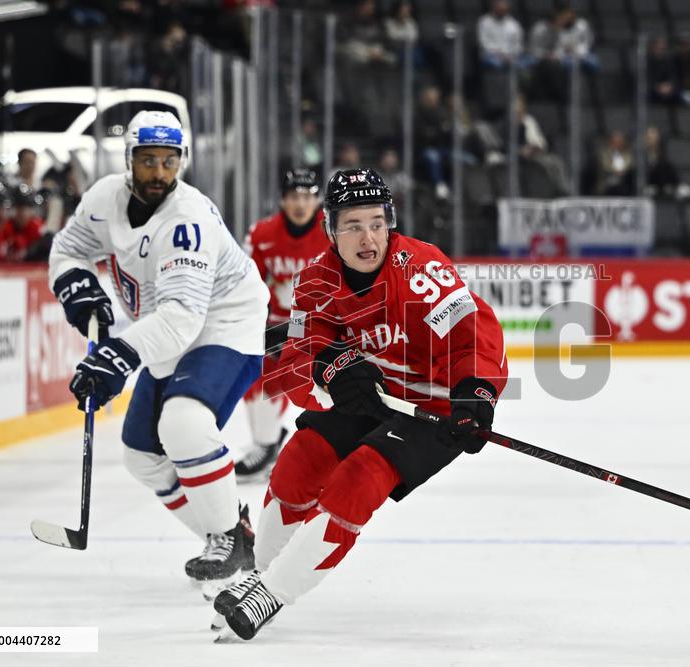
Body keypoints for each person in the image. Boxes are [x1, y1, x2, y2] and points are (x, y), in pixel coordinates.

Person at [211, 168, 508, 640]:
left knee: (358, 478)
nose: (368, 237)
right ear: (331, 230)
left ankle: (272, 592)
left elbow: (473, 339)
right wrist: (332, 367)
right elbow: (302, 352)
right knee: (298, 461)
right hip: (377, 396)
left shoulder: (422, 269)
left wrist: (476, 394)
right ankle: (261, 572)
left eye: (376, 222)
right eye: (352, 225)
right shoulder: (316, 279)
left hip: (434, 408)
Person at [48, 110, 270, 585]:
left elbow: (183, 319)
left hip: (224, 322)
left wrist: (117, 355)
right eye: (148, 161)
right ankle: (233, 538)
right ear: (129, 159)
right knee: (142, 455)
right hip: (169, 325)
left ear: (182, 162)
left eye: (169, 162)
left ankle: (226, 536)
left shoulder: (187, 219)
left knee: (184, 422)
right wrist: (75, 284)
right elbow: (67, 249)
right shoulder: (104, 198)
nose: (159, 173)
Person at [236, 168, 330, 482]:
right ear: (282, 200)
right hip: (276, 324)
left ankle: (330, 450)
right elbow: (246, 285)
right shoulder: (262, 235)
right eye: (293, 197)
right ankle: (266, 442)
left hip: (323, 324)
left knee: (331, 384)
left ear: (317, 200)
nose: (300, 204)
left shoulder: (332, 233)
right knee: (255, 372)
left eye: (307, 196)